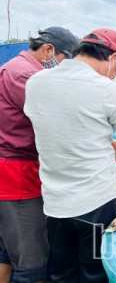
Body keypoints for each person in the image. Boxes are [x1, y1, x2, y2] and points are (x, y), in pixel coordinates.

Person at [24, 28, 116, 282]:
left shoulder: (35, 82)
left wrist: (109, 142)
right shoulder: (104, 89)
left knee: (63, 274)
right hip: (97, 205)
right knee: (97, 275)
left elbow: (65, 122)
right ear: (113, 59)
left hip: (55, 206)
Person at [0, 27, 78, 283]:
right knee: (32, 263)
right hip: (16, 179)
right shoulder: (27, 76)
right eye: (67, 62)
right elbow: (57, 121)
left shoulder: (13, 68)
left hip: (10, 173)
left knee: (6, 255)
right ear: (48, 50)